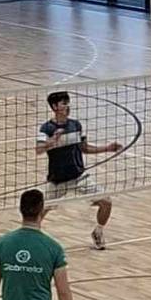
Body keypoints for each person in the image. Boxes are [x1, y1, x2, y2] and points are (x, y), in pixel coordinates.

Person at [36, 91, 122, 250]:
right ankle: (30, 240)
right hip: (57, 180)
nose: (67, 106)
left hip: (79, 177)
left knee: (106, 202)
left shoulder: (76, 125)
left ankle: (98, 232)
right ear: (54, 107)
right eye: (64, 103)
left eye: (68, 102)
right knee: (37, 215)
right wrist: (52, 140)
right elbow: (39, 149)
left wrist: (107, 148)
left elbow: (84, 148)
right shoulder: (46, 128)